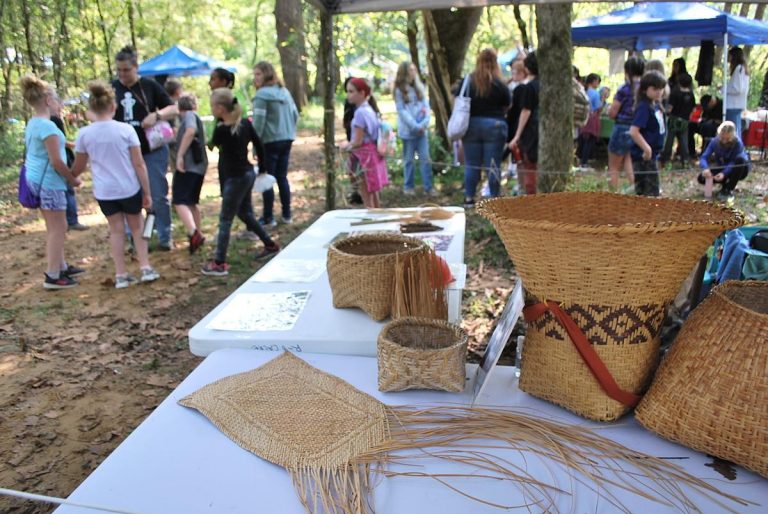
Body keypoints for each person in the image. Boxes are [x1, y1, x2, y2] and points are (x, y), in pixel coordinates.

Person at [70, 80, 160, 289]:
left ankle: (121, 274)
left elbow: (79, 166)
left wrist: (69, 175)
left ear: (91, 109)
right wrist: (147, 192)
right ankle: (145, 268)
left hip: (104, 191)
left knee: (116, 230)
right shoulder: (126, 130)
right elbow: (139, 164)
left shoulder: (84, 134)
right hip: (129, 187)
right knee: (137, 228)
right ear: (113, 107)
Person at [203, 88, 280, 277]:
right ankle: (270, 244)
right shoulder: (245, 124)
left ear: (220, 108)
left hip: (234, 178)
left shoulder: (222, 129)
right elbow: (259, 145)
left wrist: (211, 136)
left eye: (213, 106)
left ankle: (219, 262)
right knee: (245, 213)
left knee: (225, 219)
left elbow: (212, 144)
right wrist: (262, 168)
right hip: (247, 173)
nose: (212, 109)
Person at [112, 46, 178, 251]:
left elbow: (173, 107)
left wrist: (156, 116)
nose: (123, 75)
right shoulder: (112, 88)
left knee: (157, 194)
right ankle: (139, 237)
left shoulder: (149, 86)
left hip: (151, 150)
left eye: (126, 70)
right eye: (119, 70)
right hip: (123, 153)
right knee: (131, 197)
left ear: (136, 68)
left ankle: (165, 235)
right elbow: (95, 111)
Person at [21, 75, 84, 289]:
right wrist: (73, 179)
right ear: (48, 101)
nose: (60, 104)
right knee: (58, 227)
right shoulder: (48, 127)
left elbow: (58, 142)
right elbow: (56, 161)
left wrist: (77, 143)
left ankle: (61, 265)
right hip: (49, 183)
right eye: (58, 100)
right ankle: (53, 275)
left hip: (36, 180)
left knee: (54, 226)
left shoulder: (35, 123)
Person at [456, 48, 510, 206]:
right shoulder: (499, 83)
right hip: (494, 125)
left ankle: (469, 198)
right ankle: (494, 197)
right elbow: (507, 104)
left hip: (471, 126)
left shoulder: (469, 80)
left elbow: (459, 100)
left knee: (471, 164)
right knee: (493, 164)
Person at [251, 61, 299, 226]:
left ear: (267, 74)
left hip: (270, 141)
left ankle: (268, 217)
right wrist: (290, 131)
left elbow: (258, 122)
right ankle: (287, 214)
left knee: (267, 178)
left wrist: (255, 146)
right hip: (286, 138)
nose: (255, 78)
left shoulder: (262, 95)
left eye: (258, 74)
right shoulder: (284, 92)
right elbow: (295, 114)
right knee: (281, 177)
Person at [341, 77, 389, 208]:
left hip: (363, 158)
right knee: (373, 192)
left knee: (366, 193)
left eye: (351, 91)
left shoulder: (360, 113)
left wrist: (344, 146)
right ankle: (378, 216)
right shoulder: (369, 109)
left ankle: (372, 220)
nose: (348, 95)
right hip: (372, 155)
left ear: (362, 93)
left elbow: (357, 142)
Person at [173, 94, 208, 254]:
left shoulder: (189, 116)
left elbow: (190, 131)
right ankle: (198, 233)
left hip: (189, 166)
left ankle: (193, 232)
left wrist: (180, 155)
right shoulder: (194, 116)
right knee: (191, 202)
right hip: (199, 166)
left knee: (179, 200)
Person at [49, 92, 88, 231]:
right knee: (68, 189)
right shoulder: (54, 120)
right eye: (58, 103)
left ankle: (66, 220)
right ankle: (71, 220)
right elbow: (59, 140)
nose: (61, 106)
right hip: (61, 158)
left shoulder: (47, 120)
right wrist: (72, 144)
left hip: (58, 157)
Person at [394, 62, 433, 196]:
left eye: (414, 69)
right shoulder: (399, 90)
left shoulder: (419, 87)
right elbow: (402, 111)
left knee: (425, 159)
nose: (414, 72)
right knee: (409, 160)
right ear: (405, 72)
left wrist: (424, 123)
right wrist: (415, 126)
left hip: (422, 130)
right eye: (411, 70)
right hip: (408, 132)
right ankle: (408, 186)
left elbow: (426, 107)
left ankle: (428, 186)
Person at [607, 56, 644, 191]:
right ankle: (636, 188)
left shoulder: (625, 89)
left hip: (622, 127)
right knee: (628, 158)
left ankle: (613, 194)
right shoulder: (645, 89)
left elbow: (612, 112)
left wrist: (610, 111)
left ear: (627, 71)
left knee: (614, 166)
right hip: (638, 130)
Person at [629, 71, 667, 197]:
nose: (659, 91)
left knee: (652, 191)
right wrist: (647, 149)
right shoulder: (644, 107)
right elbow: (634, 131)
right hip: (643, 157)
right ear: (645, 89)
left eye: (661, 88)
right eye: (655, 88)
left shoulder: (656, 105)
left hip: (653, 156)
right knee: (647, 194)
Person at [697, 121, 750, 200]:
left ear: (733, 136)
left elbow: (733, 162)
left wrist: (724, 173)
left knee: (740, 160)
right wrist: (705, 168)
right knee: (701, 178)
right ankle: (725, 183)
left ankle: (728, 189)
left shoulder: (738, 143)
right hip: (723, 167)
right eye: (722, 138)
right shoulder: (714, 141)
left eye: (727, 139)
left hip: (739, 168)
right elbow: (704, 157)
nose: (724, 141)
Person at [509, 52, 537, 196]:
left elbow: (525, 111)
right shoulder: (546, 85)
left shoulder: (527, 88)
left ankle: (528, 194)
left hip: (530, 133)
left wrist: (516, 135)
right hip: (537, 132)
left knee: (528, 164)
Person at [661, 72, 696, 168]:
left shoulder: (675, 93)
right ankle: (685, 160)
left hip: (673, 119)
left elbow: (670, 108)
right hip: (685, 120)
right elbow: (693, 109)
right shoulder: (691, 94)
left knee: (669, 139)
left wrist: (664, 110)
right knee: (684, 140)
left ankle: (666, 159)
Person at [342, 77, 364, 206]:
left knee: (362, 172)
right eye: (347, 91)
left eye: (351, 91)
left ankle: (362, 193)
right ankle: (356, 192)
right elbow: (347, 120)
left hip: (362, 146)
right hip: (352, 139)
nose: (349, 94)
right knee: (352, 168)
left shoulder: (364, 109)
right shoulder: (349, 104)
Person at [577, 73, 602, 168]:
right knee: (590, 140)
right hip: (592, 118)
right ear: (594, 81)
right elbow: (598, 108)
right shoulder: (595, 93)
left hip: (583, 117)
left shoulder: (583, 91)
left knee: (583, 139)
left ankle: (580, 160)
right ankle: (584, 162)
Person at [725, 47, 750, 139]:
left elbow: (737, 88)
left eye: (729, 56)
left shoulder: (739, 69)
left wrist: (724, 89)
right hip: (737, 104)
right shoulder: (743, 69)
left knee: (733, 130)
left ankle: (735, 150)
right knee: (736, 129)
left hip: (733, 104)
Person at [164, 79, 184, 175]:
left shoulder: (165, 104)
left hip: (170, 141)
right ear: (177, 91)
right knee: (177, 168)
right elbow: (173, 126)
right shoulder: (171, 105)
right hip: (174, 142)